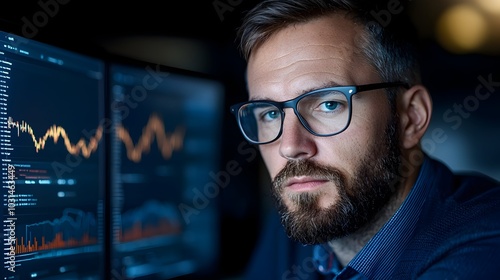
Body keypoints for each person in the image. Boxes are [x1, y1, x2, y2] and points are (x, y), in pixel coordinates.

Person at [229, 0, 500, 279]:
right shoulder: (303, 206)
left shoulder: (486, 243)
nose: (290, 147)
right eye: (270, 114)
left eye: (329, 105)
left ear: (411, 117)